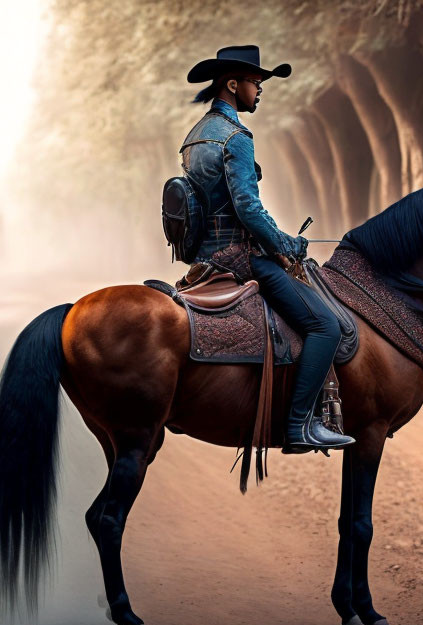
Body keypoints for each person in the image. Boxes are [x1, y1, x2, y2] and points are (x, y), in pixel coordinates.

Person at [182, 45, 354, 452]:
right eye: (256, 83)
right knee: (325, 326)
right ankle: (298, 427)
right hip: (241, 260)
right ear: (232, 83)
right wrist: (287, 244)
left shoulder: (193, 137)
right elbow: (248, 208)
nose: (260, 91)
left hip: (203, 260)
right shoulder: (236, 137)